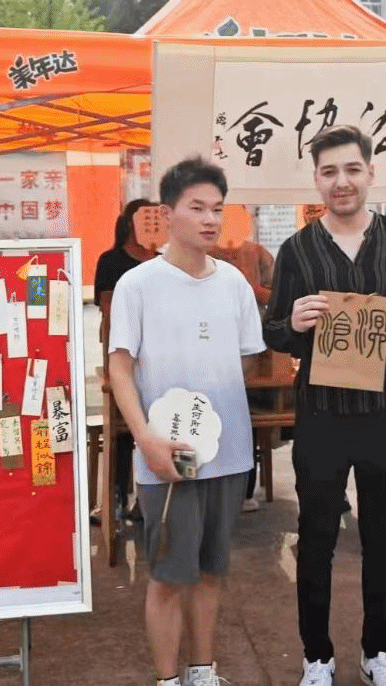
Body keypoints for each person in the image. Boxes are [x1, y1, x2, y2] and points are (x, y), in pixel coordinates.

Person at [263, 125, 386, 686]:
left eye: (352, 169)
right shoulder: (297, 249)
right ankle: (317, 656)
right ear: (316, 180)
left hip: (385, 410)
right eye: (330, 171)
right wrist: (295, 323)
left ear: (370, 174)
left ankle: (378, 651)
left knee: (383, 537)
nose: (342, 181)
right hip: (322, 414)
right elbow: (274, 330)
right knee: (316, 538)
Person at [108, 157, 266, 686]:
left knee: (212, 568)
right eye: (197, 208)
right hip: (166, 453)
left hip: (227, 452)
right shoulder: (138, 284)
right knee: (169, 574)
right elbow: (120, 367)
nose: (210, 219)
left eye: (217, 209)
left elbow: (246, 359)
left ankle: (202, 671)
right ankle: (167, 678)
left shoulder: (234, 283)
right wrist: (146, 439)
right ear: (167, 212)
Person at [94, 198, 158, 520]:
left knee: (157, 425)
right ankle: (117, 499)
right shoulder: (110, 260)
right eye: (148, 218)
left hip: (160, 360)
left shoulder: (165, 262)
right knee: (121, 430)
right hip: (124, 356)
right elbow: (108, 310)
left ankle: (148, 501)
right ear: (131, 223)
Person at [210, 221, 275, 513]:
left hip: (252, 349)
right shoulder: (201, 252)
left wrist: (255, 291)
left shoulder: (257, 252)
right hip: (211, 350)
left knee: (244, 417)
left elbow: (277, 296)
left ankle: (245, 488)